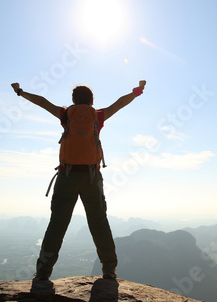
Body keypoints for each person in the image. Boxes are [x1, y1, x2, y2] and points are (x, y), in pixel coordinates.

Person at [10, 80, 146, 285]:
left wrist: (20, 92)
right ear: (92, 101)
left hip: (67, 175)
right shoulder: (97, 116)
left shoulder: (66, 114)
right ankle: (109, 271)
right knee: (99, 223)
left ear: (73, 100)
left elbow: (42, 102)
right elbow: (119, 103)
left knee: (57, 224)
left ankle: (43, 273)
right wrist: (137, 91)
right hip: (92, 177)